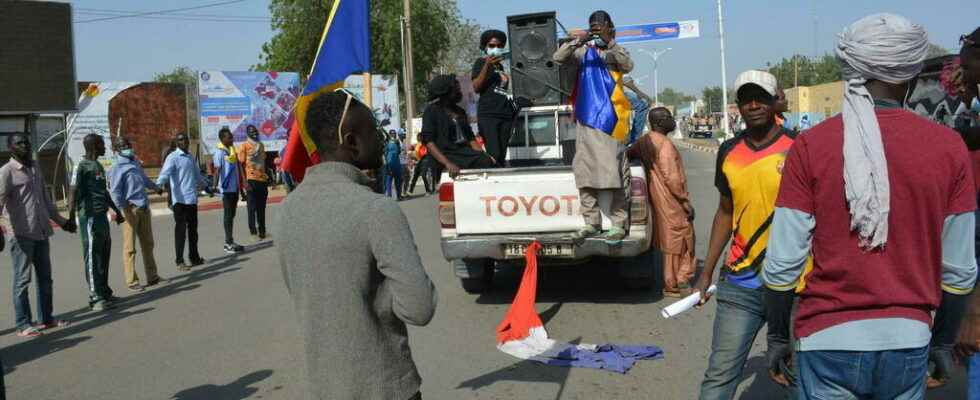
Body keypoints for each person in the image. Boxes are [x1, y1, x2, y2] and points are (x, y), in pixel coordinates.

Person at [763, 14, 978, 400]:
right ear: (911, 73)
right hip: (908, 339)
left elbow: (782, 265)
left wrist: (778, 337)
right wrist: (942, 344)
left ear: (851, 71)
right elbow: (959, 272)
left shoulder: (812, 145)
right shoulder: (948, 147)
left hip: (826, 339)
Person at [275, 90, 436, 400]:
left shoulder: (287, 211)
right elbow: (419, 308)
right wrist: (378, 292)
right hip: (385, 386)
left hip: (324, 386)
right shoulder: (377, 210)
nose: (380, 137)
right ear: (350, 142)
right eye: (373, 130)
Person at [694, 70, 799, 400]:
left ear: (773, 103)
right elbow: (725, 211)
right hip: (741, 283)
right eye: (745, 99)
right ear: (738, 106)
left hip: (796, 286)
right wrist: (706, 272)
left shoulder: (798, 147)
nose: (753, 105)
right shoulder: (728, 152)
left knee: (799, 376)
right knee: (720, 375)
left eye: (760, 98)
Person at [553, 10, 634, 243]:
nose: (597, 29)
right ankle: (591, 223)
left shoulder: (615, 51)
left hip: (612, 120)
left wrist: (609, 42)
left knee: (616, 172)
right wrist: (582, 38)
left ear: (610, 27)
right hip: (587, 119)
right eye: (593, 26)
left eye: (600, 26)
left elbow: (628, 65)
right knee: (584, 171)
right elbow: (558, 58)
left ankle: (618, 224)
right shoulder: (582, 52)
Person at [0, 133, 75, 337]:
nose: (24, 145)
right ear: (10, 147)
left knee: (45, 278)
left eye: (26, 142)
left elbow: (45, 200)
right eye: (19, 143)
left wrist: (62, 222)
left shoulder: (34, 168)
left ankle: (46, 319)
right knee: (22, 280)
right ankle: (23, 324)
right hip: (21, 234)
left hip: (41, 231)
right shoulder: (6, 172)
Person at [627, 108, 695, 297]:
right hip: (671, 199)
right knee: (681, 239)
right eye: (669, 117)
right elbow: (672, 177)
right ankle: (676, 282)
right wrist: (684, 201)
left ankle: (672, 280)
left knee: (669, 240)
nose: (673, 121)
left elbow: (629, 154)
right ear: (660, 122)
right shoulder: (665, 145)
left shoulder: (644, 141)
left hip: (657, 197)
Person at [68, 134, 125, 311]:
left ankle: (104, 292)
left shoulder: (98, 165)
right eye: (101, 144)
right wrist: (70, 217)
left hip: (102, 217)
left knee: (103, 255)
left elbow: (104, 192)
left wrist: (116, 211)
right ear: (93, 146)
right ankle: (95, 297)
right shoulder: (81, 166)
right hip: (89, 217)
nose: (105, 147)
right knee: (92, 257)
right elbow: (73, 191)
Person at [108, 137, 165, 293]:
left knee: (148, 244)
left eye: (128, 145)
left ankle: (152, 276)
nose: (127, 147)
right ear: (117, 149)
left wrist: (155, 187)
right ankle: (132, 280)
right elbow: (115, 192)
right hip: (130, 210)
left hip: (143, 207)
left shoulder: (134, 162)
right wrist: (122, 209)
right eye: (123, 146)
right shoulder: (117, 167)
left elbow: (144, 179)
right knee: (130, 248)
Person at [421, 75, 495, 179]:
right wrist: (447, 163)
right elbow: (429, 143)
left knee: (486, 161)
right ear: (446, 92)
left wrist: (485, 156)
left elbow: (470, 139)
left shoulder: (460, 112)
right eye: (456, 88)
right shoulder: (431, 111)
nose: (459, 91)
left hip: (462, 153)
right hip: (444, 154)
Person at [157, 133, 209, 272]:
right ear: (176, 143)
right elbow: (165, 173)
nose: (184, 142)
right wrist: (159, 184)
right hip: (179, 201)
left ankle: (194, 257)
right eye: (180, 140)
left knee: (193, 231)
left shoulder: (190, 157)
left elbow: (197, 175)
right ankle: (179, 261)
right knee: (180, 232)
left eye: (185, 139)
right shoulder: (173, 157)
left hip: (191, 199)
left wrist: (206, 186)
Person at [472, 29, 514, 168]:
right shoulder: (480, 63)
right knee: (494, 153)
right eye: (491, 45)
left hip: (504, 114)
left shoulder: (500, 66)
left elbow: (500, 90)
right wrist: (487, 65)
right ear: (485, 47)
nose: (496, 48)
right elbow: (476, 87)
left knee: (501, 154)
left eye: (499, 46)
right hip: (489, 115)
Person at [213, 128, 246, 254]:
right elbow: (217, 170)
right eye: (229, 137)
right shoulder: (219, 152)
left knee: (232, 215)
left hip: (235, 188)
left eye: (231, 137)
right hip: (226, 190)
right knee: (228, 216)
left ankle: (230, 240)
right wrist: (214, 186)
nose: (231, 139)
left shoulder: (232, 150)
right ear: (222, 139)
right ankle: (228, 243)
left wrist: (242, 187)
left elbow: (238, 168)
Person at [239, 124, 270, 241]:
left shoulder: (261, 145)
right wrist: (244, 182)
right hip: (250, 180)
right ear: (248, 133)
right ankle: (253, 232)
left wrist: (266, 176)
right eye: (251, 131)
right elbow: (240, 164)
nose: (254, 133)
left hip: (262, 179)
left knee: (262, 207)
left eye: (255, 131)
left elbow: (263, 162)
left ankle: (262, 231)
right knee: (251, 208)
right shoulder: (244, 146)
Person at [623, 76, 653, 144]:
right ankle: (635, 139)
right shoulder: (619, 66)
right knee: (643, 104)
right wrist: (640, 93)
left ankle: (629, 136)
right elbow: (626, 81)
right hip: (612, 92)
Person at [383, 130, 405, 200]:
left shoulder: (397, 141)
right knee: (389, 180)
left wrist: (397, 144)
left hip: (397, 164)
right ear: (389, 134)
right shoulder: (387, 142)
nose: (394, 135)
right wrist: (387, 164)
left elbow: (398, 152)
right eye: (392, 134)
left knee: (399, 180)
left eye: (394, 133)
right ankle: (389, 197)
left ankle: (399, 196)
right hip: (390, 163)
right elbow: (385, 153)